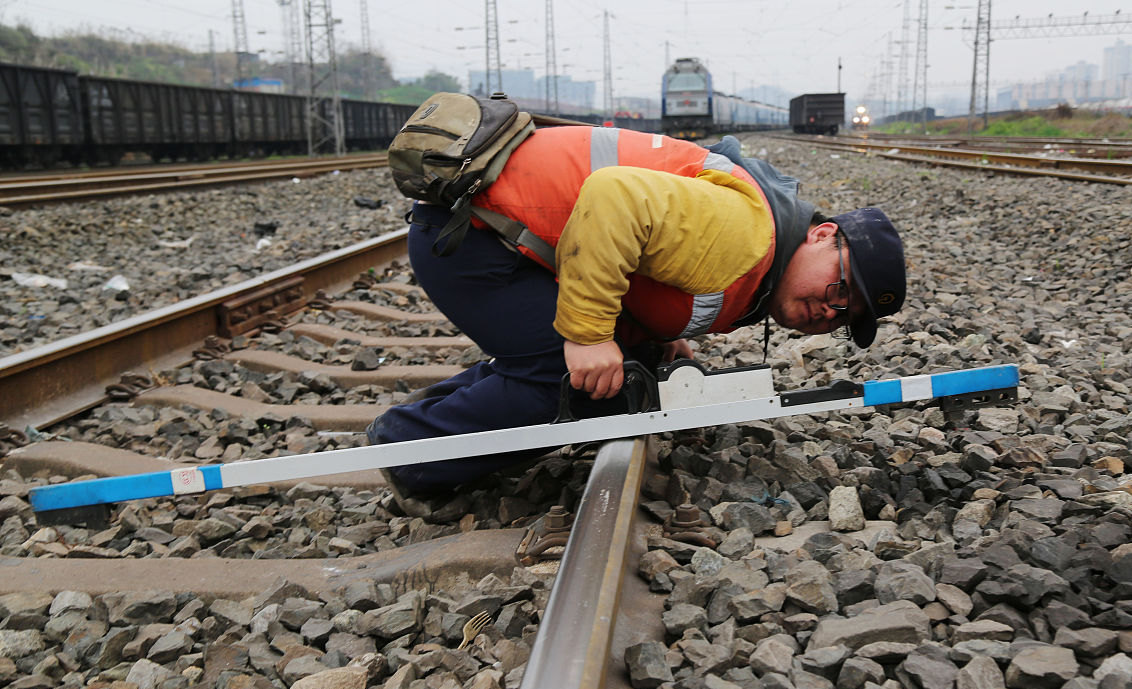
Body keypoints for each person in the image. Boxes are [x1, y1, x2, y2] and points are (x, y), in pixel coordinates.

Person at [366, 124, 906, 496]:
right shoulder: (747, 232)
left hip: (497, 234)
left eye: (844, 317)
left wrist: (658, 332)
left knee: (622, 366)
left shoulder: (766, 255)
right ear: (823, 234)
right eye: (840, 289)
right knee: (574, 378)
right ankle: (408, 453)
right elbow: (612, 197)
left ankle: (435, 418)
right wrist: (586, 334)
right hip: (475, 234)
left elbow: (644, 262)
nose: (828, 312)